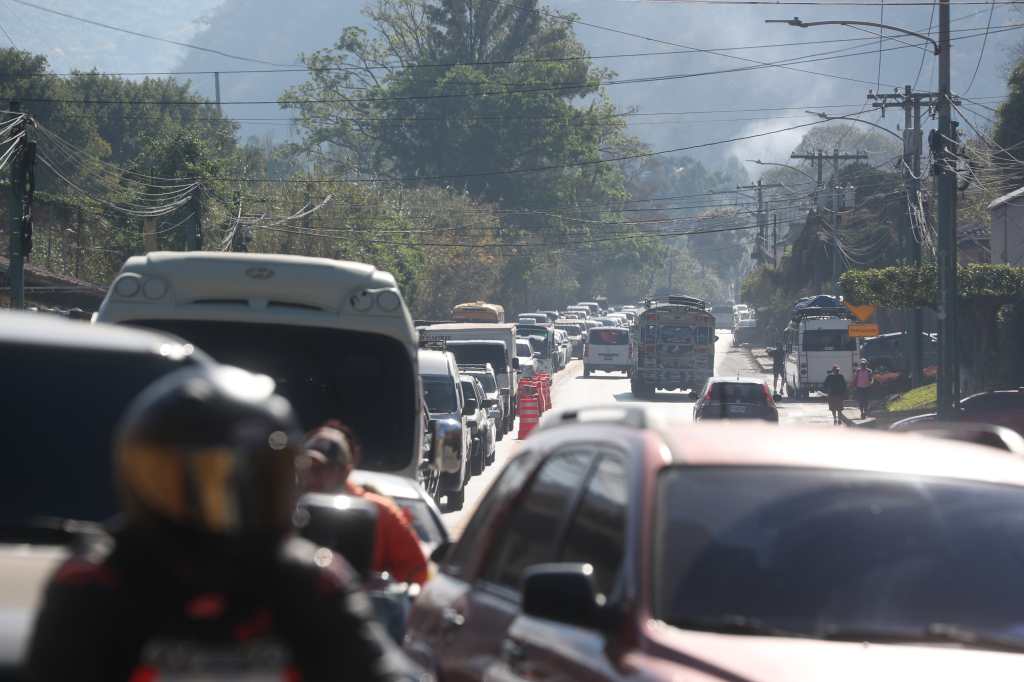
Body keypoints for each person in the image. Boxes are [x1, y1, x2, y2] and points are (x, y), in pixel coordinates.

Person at [26, 365, 420, 682]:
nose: (228, 505)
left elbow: (381, 670)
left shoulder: (311, 583)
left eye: (257, 480)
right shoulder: (98, 585)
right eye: (204, 486)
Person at [305, 423, 429, 586]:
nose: (313, 477)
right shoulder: (287, 509)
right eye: (308, 467)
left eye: (323, 469)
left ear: (345, 471)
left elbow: (417, 573)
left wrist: (384, 589)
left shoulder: (380, 513)